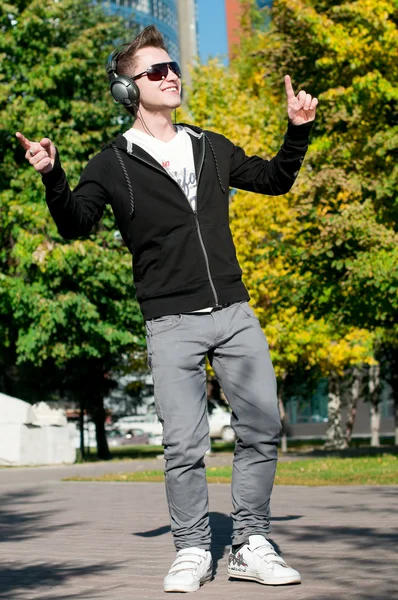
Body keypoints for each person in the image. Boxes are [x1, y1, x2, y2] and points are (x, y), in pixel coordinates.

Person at [16, 25, 318, 594]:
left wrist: (296, 131)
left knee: (261, 428)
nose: (170, 75)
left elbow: (275, 179)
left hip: (233, 310)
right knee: (184, 444)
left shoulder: (210, 145)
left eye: (172, 66)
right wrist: (52, 175)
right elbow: (76, 223)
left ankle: (251, 543)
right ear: (128, 90)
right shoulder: (113, 163)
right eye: (155, 71)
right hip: (170, 320)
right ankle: (192, 549)